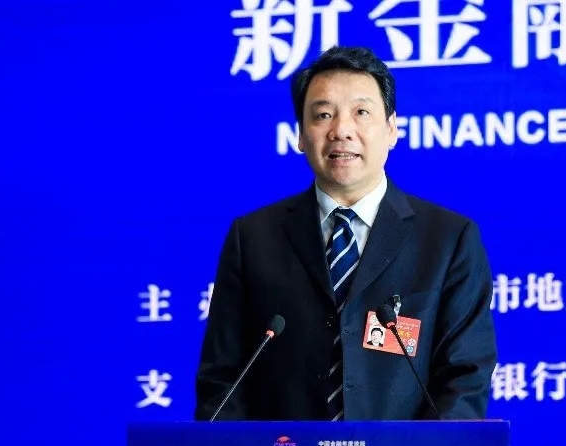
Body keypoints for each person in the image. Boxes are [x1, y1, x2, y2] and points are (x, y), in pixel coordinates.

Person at [195, 45, 497, 421]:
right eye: (323, 115)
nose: (341, 131)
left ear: (391, 129)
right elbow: (223, 379)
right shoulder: (253, 238)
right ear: (301, 135)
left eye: (361, 112)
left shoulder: (449, 240)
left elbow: (464, 378)